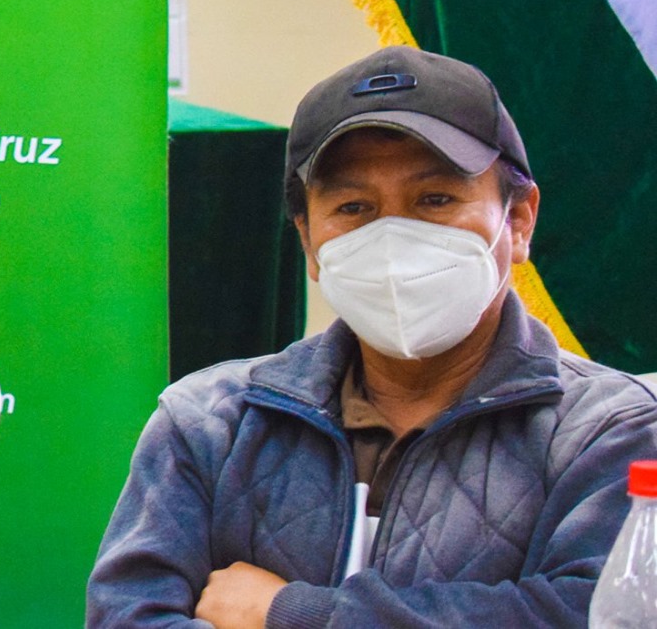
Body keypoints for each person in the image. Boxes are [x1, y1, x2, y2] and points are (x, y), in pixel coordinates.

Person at [88, 45, 657, 628]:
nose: (392, 239)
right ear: (308, 241)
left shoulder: (612, 432)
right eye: (354, 207)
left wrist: (292, 614)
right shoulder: (211, 423)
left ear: (518, 220)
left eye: (435, 199)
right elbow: (126, 615)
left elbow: (598, 615)